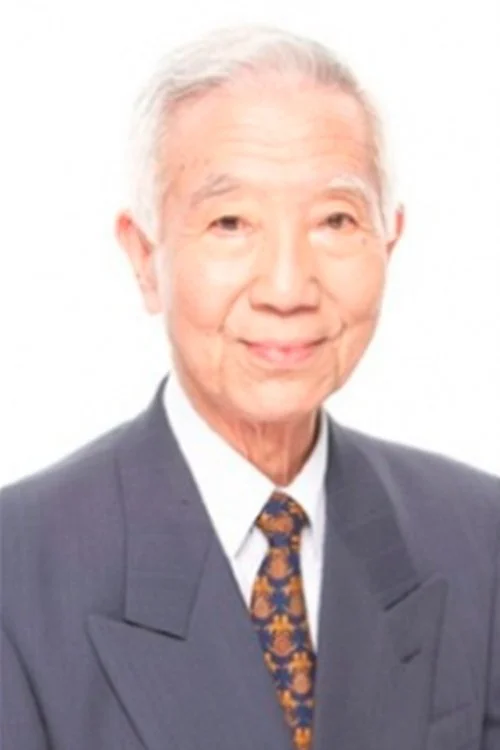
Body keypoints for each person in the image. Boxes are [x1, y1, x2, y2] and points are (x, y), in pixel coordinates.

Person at [1, 24, 499, 750]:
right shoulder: (19, 570)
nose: (287, 288)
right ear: (145, 257)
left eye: (335, 220)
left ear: (388, 243)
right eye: (231, 223)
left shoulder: (481, 537)